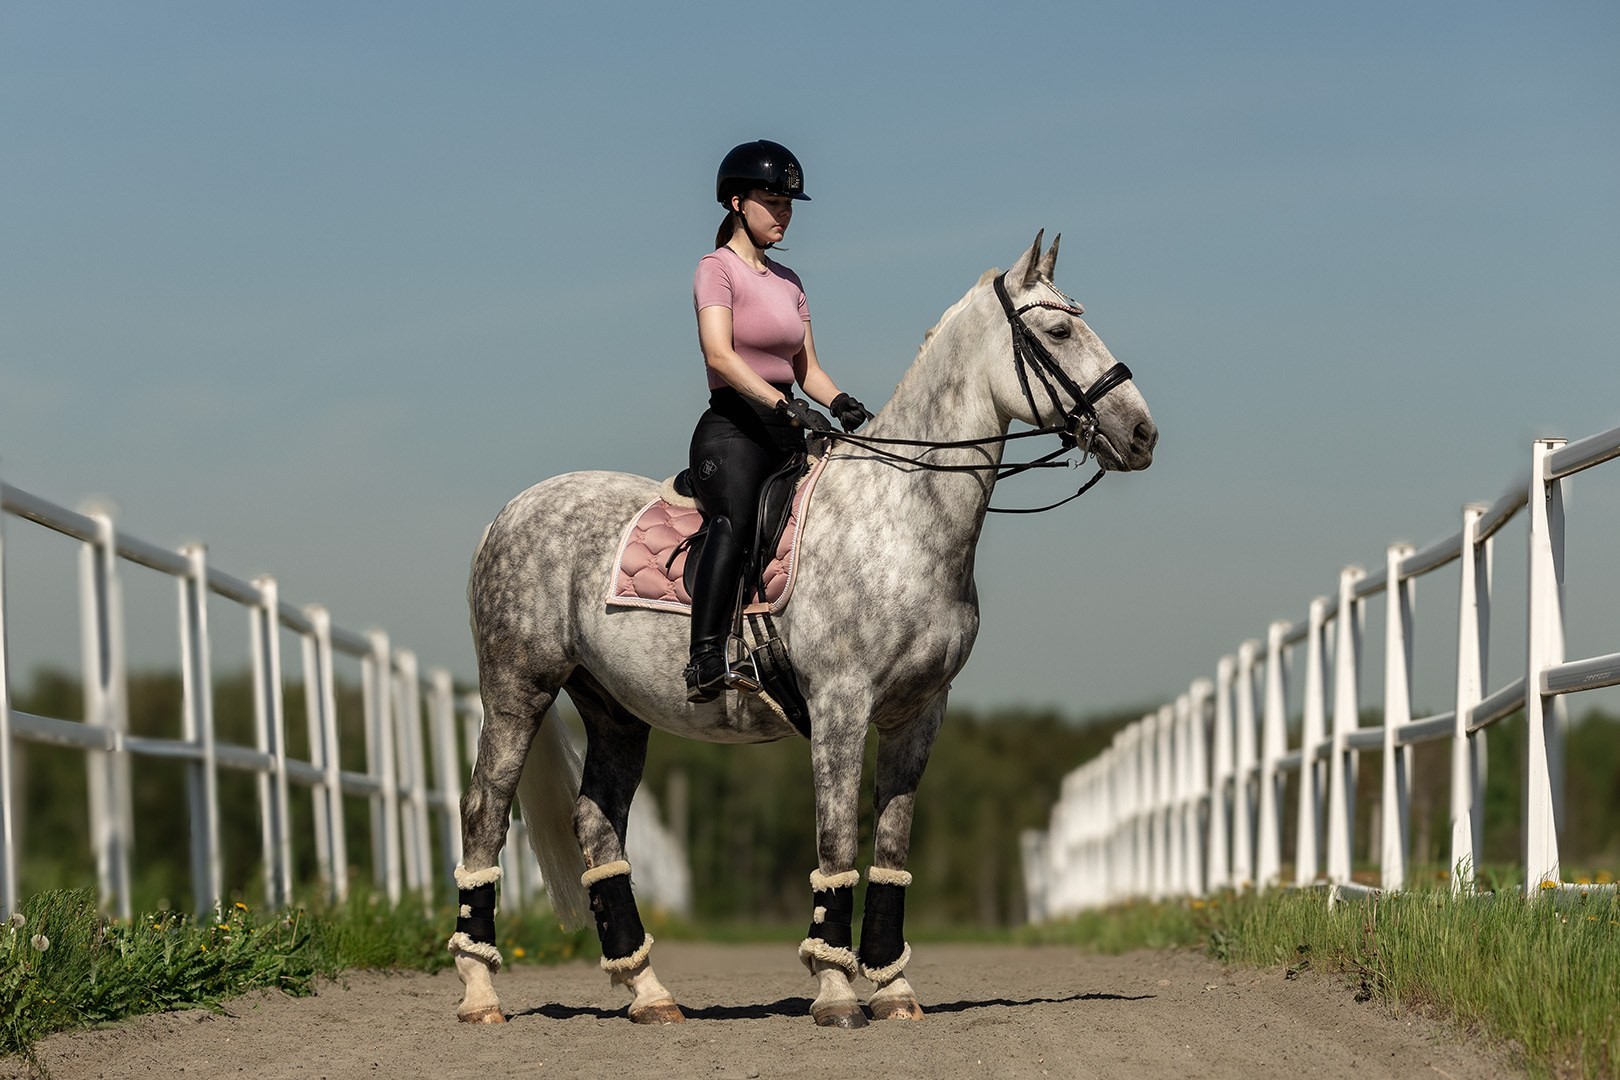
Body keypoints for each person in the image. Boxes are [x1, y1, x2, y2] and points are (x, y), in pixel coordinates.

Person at [685, 139, 872, 703]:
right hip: (734, 430)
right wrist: (781, 404)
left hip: (788, 426)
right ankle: (706, 657)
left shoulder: (790, 282)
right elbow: (720, 356)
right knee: (734, 523)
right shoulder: (715, 270)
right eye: (774, 200)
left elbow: (807, 368)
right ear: (738, 203)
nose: (785, 212)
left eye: (790, 202)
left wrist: (839, 402)